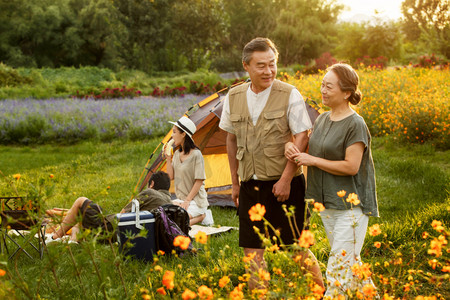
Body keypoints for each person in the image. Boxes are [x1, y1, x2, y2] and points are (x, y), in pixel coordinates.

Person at [219, 37, 324, 290]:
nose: (268, 71)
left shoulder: (289, 93)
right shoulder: (233, 96)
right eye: (261, 66)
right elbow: (230, 140)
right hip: (249, 186)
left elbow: (302, 136)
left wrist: (286, 179)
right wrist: (234, 183)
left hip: (284, 184)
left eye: (272, 64)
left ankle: (320, 293)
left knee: (297, 249)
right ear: (246, 66)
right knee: (252, 254)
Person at [285, 63, 379, 297]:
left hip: (351, 206)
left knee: (337, 268)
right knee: (351, 263)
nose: (323, 90)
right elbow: (308, 148)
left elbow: (351, 166)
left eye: (329, 86)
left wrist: (312, 160)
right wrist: (291, 146)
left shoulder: (355, 124)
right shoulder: (323, 119)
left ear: (346, 92)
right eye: (322, 85)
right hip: (327, 203)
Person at [45, 171, 172, 243]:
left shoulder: (150, 192)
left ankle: (53, 238)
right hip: (132, 235)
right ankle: (73, 242)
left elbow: (122, 214)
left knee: (80, 201)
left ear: (152, 184)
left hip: (114, 230)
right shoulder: (170, 203)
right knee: (80, 219)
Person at [164, 116, 212, 226]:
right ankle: (200, 215)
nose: (172, 135)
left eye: (174, 132)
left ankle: (202, 215)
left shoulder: (196, 155)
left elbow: (199, 181)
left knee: (178, 222)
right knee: (163, 213)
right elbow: (170, 177)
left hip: (195, 201)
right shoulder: (176, 154)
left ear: (183, 134)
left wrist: (187, 201)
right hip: (181, 200)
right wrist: (168, 158)